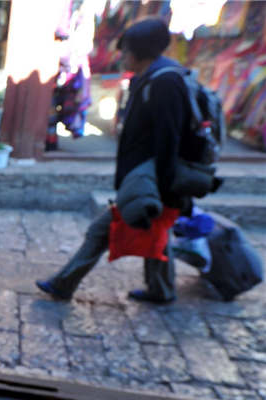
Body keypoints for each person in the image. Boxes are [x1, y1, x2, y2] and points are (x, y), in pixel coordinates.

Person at [36, 18, 196, 304]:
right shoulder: (151, 77)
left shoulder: (165, 83)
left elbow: (169, 140)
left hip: (152, 182)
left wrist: (161, 188)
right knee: (157, 235)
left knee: (102, 231)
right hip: (148, 179)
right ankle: (161, 290)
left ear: (140, 51)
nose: (121, 56)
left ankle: (63, 284)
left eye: (126, 51)